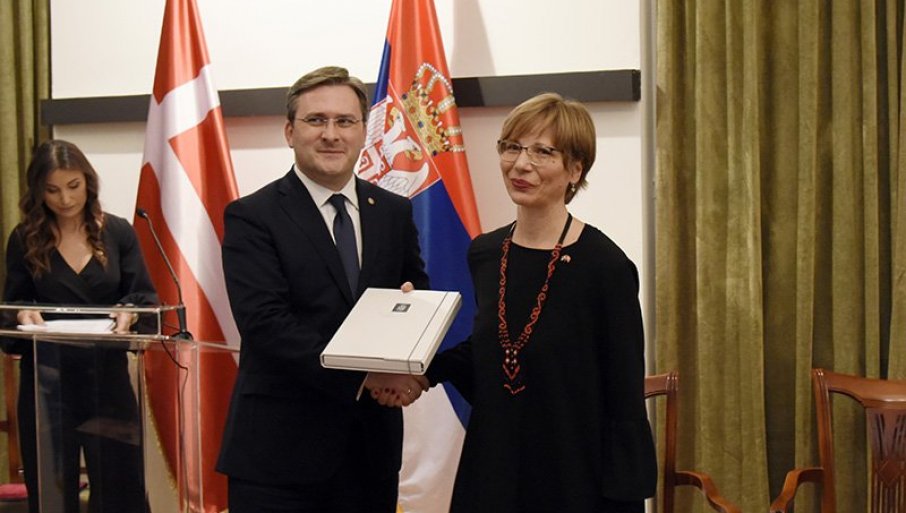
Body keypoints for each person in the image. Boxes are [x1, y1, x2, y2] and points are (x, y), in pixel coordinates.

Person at [423, 93, 657, 512]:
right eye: (511, 147)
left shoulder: (605, 266)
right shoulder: (485, 253)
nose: (521, 164)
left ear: (575, 169)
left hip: (573, 475)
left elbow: (623, 393)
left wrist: (624, 496)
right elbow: (497, 352)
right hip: (494, 466)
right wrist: (420, 371)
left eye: (542, 152)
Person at [216, 66, 430, 513]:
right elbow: (266, 325)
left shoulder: (392, 212)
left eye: (345, 121)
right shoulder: (252, 216)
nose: (331, 134)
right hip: (278, 458)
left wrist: (411, 363)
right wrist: (366, 376)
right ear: (289, 131)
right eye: (316, 120)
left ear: (363, 132)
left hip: (370, 450)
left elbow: (416, 293)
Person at [2, 139, 156, 513]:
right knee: (52, 492)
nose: (66, 199)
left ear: (88, 181)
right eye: (52, 190)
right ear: (38, 191)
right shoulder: (24, 238)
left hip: (108, 381)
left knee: (119, 489)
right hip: (47, 384)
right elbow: (10, 308)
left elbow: (145, 299)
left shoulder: (117, 232)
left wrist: (130, 313)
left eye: (73, 186)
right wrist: (22, 315)